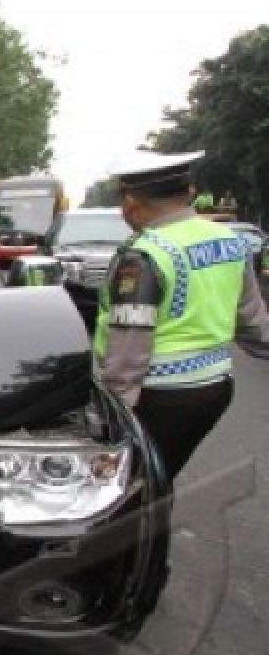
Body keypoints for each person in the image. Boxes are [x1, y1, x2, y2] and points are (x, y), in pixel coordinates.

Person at [94, 150, 269, 480]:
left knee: (129, 489)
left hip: (158, 395)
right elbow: (253, 323)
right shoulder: (230, 241)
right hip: (215, 388)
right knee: (157, 475)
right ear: (189, 193)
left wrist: (113, 415)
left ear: (130, 201)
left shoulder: (144, 255)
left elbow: (130, 344)